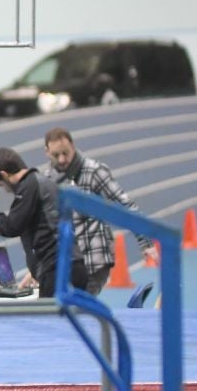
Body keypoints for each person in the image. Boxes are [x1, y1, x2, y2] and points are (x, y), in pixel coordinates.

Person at [39, 126, 158, 294]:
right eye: (55, 155)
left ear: (73, 146)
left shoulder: (94, 171)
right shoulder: (47, 179)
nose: (62, 159)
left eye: (66, 153)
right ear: (46, 152)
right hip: (67, 262)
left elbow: (124, 204)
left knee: (82, 309)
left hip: (94, 259)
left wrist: (145, 242)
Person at [0, 146, 88, 298]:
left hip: (58, 270)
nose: (6, 190)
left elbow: (13, 226)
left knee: (49, 320)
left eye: (1, 184)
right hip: (71, 265)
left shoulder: (28, 186)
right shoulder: (41, 182)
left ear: (4, 175)